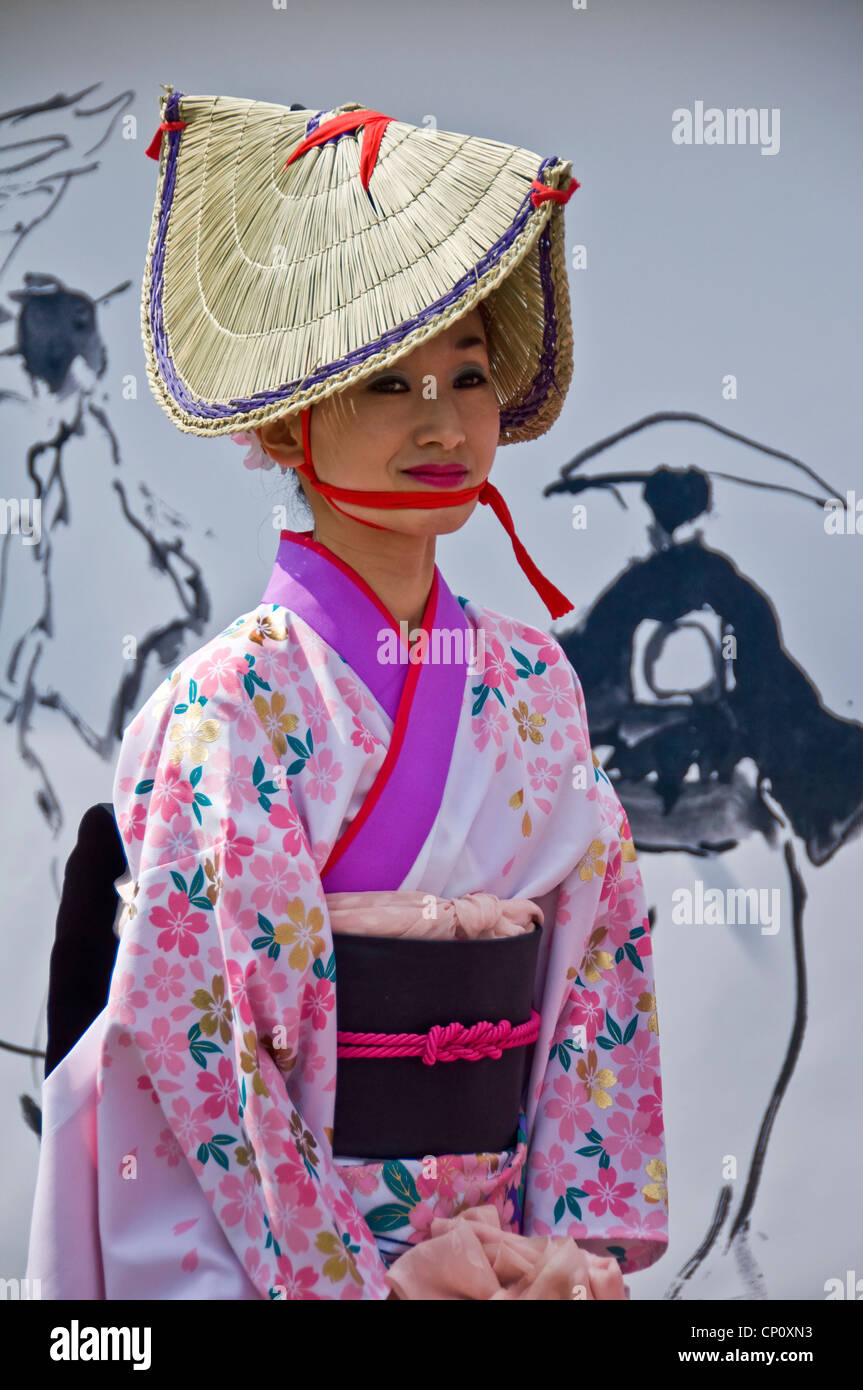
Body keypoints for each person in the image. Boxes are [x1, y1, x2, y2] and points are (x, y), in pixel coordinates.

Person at [26, 90, 668, 1300]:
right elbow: (204, 1040)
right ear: (287, 421)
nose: (442, 422)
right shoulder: (231, 701)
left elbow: (599, 966)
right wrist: (355, 1285)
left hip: (498, 1257)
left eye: (467, 375)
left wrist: (556, 1253)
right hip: (278, 1256)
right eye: (388, 382)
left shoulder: (533, 678)